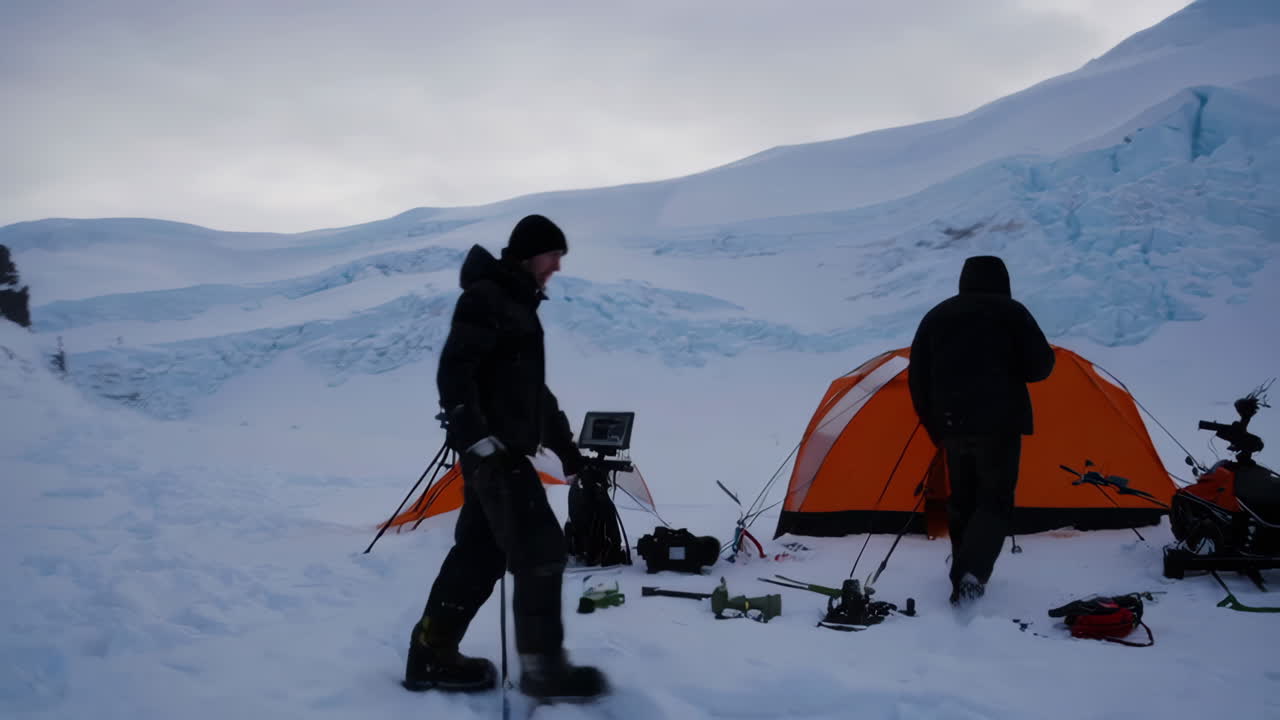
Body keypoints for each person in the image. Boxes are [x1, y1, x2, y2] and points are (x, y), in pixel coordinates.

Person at [404, 214, 607, 700]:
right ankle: (544, 671)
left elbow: (535, 393)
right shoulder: (487, 298)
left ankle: (430, 654)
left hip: (504, 451)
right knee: (540, 549)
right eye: (553, 254)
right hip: (494, 454)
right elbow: (455, 373)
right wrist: (475, 437)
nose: (557, 265)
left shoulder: (517, 306)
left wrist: (570, 454)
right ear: (528, 253)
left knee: (478, 556)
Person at [907, 255, 1054, 605]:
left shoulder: (938, 315)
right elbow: (1040, 367)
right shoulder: (1013, 313)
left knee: (963, 499)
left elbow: (917, 378)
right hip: (1001, 425)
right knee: (995, 498)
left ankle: (964, 571)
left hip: (952, 426)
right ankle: (972, 572)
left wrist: (934, 425)